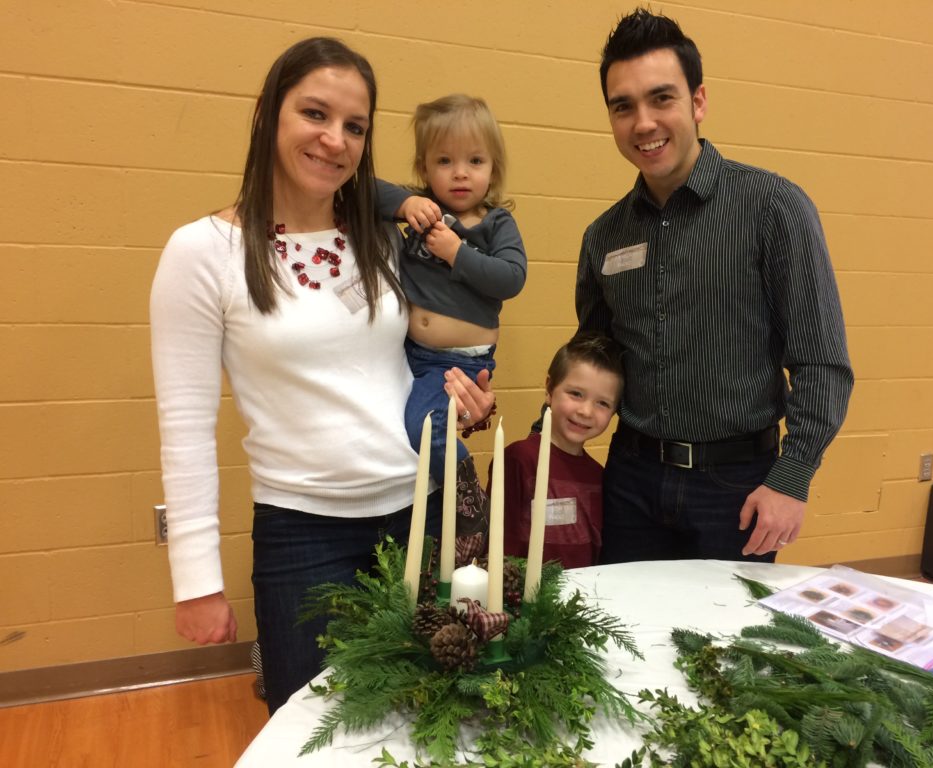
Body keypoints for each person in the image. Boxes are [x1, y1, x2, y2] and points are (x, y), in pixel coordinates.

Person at [149, 38, 494, 714]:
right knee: (316, 732)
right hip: (305, 532)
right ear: (266, 114)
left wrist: (462, 398)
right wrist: (196, 579)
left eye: (355, 127)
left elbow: (414, 358)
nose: (335, 139)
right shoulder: (202, 253)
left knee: (436, 718)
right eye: (315, 114)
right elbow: (184, 426)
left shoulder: (385, 239)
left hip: (421, 510)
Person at [576, 9, 854, 564]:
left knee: (723, 645)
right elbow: (595, 356)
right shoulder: (604, 237)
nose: (643, 123)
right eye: (622, 106)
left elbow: (822, 361)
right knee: (623, 637)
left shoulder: (775, 209)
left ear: (698, 102)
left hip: (738, 489)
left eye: (662, 98)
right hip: (631, 481)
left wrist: (792, 477)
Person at [378, 95, 527, 556]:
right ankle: (448, 501)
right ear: (425, 168)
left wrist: (456, 253)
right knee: (411, 427)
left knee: (425, 425)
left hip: (460, 361)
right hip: (414, 356)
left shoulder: (494, 223)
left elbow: (511, 278)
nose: (460, 173)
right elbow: (357, 189)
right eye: (445, 161)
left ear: (493, 168)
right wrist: (405, 202)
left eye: (475, 160)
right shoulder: (421, 213)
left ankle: (466, 499)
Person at [495, 333, 624, 569]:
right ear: (549, 388)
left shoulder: (599, 475)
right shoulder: (518, 460)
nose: (586, 411)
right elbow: (501, 545)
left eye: (602, 403)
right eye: (576, 394)